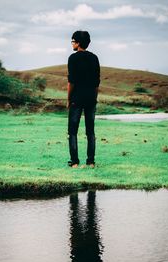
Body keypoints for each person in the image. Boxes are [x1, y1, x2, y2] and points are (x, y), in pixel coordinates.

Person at [67, 30, 100, 168]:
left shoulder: (73, 58)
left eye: (73, 41)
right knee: (90, 131)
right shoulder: (94, 58)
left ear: (78, 43)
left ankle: (74, 162)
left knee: (73, 131)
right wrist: (94, 98)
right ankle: (91, 162)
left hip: (76, 99)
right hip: (91, 99)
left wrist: (68, 99)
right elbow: (97, 82)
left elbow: (71, 82)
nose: (72, 44)